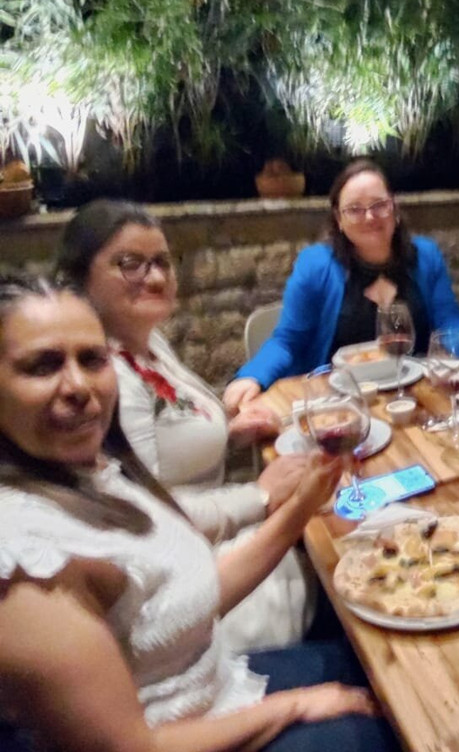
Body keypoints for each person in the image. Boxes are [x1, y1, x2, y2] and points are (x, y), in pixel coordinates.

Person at [0, 276, 398, 752]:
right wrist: (294, 706)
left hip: (223, 687)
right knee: (404, 714)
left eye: (92, 359)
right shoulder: (26, 560)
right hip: (197, 734)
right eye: (43, 366)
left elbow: (184, 606)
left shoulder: (91, 472)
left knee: (385, 657)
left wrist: (301, 507)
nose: (79, 386)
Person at [56, 199, 315, 652]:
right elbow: (147, 516)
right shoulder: (107, 379)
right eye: (130, 263)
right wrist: (259, 495)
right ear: (80, 278)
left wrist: (230, 434)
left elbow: (167, 447)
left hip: (221, 542)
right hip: (193, 587)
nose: (156, 277)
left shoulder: (148, 343)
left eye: (162, 261)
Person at [224, 158, 459, 415]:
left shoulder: (426, 255)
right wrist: (252, 376)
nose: (369, 217)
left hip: (414, 398)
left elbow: (450, 322)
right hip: (339, 403)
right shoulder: (315, 266)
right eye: (354, 209)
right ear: (338, 219)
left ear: (394, 208)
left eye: (379, 205)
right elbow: (288, 341)